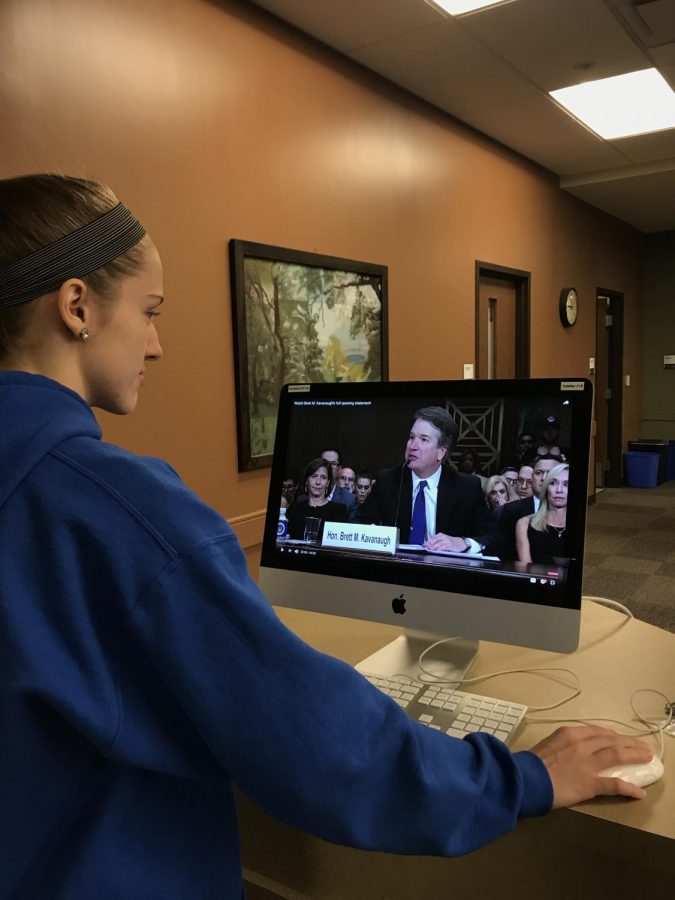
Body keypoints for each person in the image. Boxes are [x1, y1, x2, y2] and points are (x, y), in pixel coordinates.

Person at [0, 174, 652, 898]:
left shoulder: (468, 492)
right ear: (77, 305)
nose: (155, 345)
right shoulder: (125, 515)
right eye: (149, 311)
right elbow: (315, 746)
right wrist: (521, 776)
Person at [359, 406, 498, 553]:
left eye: (424, 439)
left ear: (441, 452)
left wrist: (464, 543)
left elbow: (492, 536)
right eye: (411, 437)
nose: (412, 446)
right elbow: (361, 523)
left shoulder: (467, 487)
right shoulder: (388, 480)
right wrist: (375, 534)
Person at [496, 454, 563, 560]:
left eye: (550, 473)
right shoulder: (512, 510)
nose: (544, 478)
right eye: (538, 473)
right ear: (532, 477)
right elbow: (503, 551)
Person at [516, 463, 570, 564]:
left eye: (566, 484)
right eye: (553, 483)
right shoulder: (524, 524)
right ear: (546, 488)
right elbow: (527, 570)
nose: (559, 490)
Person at [285, 457, 348, 540]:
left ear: (328, 482)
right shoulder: (295, 508)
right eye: (314, 476)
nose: (318, 482)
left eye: (323, 477)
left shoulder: (339, 510)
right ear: (307, 481)